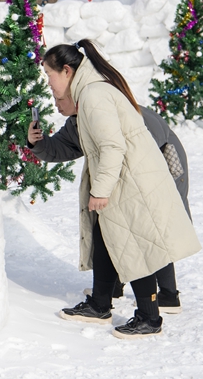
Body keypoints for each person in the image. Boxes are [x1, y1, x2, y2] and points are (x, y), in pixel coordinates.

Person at [39, 39, 200, 339]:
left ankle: (150, 318)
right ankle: (100, 304)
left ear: (66, 70)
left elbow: (112, 147)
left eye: (50, 77)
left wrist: (99, 190)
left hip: (132, 181)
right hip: (125, 179)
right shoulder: (90, 93)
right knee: (106, 236)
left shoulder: (94, 95)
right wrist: (39, 143)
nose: (50, 86)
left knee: (136, 245)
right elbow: (79, 145)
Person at [28, 94, 190, 313]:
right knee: (116, 225)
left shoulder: (106, 113)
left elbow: (135, 151)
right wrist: (37, 142)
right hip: (125, 173)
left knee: (152, 230)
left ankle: (168, 296)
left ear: (76, 98)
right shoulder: (79, 121)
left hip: (164, 161)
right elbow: (62, 147)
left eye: (59, 99)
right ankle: (114, 286)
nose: (55, 104)